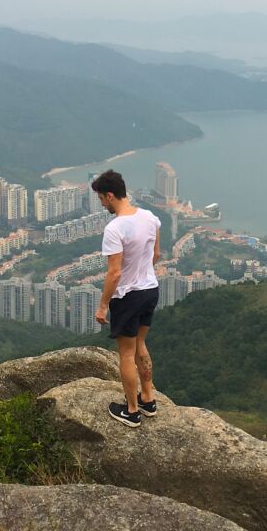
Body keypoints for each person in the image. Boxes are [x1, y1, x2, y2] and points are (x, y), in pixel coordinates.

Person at [92, 169, 161, 428]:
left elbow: (114, 272)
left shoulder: (115, 228)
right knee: (141, 343)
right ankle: (148, 398)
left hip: (128, 295)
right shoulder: (150, 218)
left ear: (110, 195)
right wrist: (142, 272)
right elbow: (156, 254)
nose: (102, 204)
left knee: (126, 354)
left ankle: (132, 411)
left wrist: (102, 306)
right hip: (150, 289)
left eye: (101, 199)